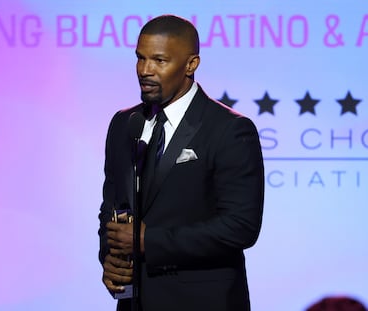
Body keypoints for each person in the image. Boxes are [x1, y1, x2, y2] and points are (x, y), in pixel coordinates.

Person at [98, 14, 264, 311]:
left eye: (159, 61)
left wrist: (151, 241)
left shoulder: (229, 129)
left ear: (191, 64)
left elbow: (240, 227)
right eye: (140, 58)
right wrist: (110, 259)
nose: (145, 70)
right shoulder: (125, 124)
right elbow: (111, 207)